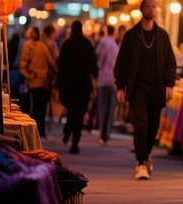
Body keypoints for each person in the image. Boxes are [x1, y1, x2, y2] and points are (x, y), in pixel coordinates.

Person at [114, 0, 176, 180]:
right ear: (142, 9)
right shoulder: (131, 35)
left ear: (157, 10)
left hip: (156, 89)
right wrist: (120, 86)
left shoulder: (162, 36)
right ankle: (140, 162)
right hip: (137, 89)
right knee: (140, 124)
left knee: (152, 127)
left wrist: (170, 84)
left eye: (153, 6)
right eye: (147, 6)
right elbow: (121, 63)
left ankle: (146, 155)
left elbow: (171, 63)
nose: (151, 9)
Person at [56, 21, 98, 154]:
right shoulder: (87, 44)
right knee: (79, 113)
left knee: (71, 110)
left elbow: (60, 63)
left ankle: (67, 130)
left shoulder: (66, 44)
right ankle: (75, 143)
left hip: (69, 83)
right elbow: (94, 65)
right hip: (83, 84)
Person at [18, 26, 56, 137]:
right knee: (42, 108)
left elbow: (23, 64)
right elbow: (51, 62)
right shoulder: (42, 46)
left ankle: (33, 132)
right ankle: (41, 131)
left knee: (34, 108)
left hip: (33, 81)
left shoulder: (27, 45)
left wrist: (28, 76)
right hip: (43, 82)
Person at [95, 24, 119, 144]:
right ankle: (106, 133)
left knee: (102, 106)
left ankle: (101, 132)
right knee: (111, 108)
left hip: (103, 78)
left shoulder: (102, 42)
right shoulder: (115, 45)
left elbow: (97, 57)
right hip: (113, 80)